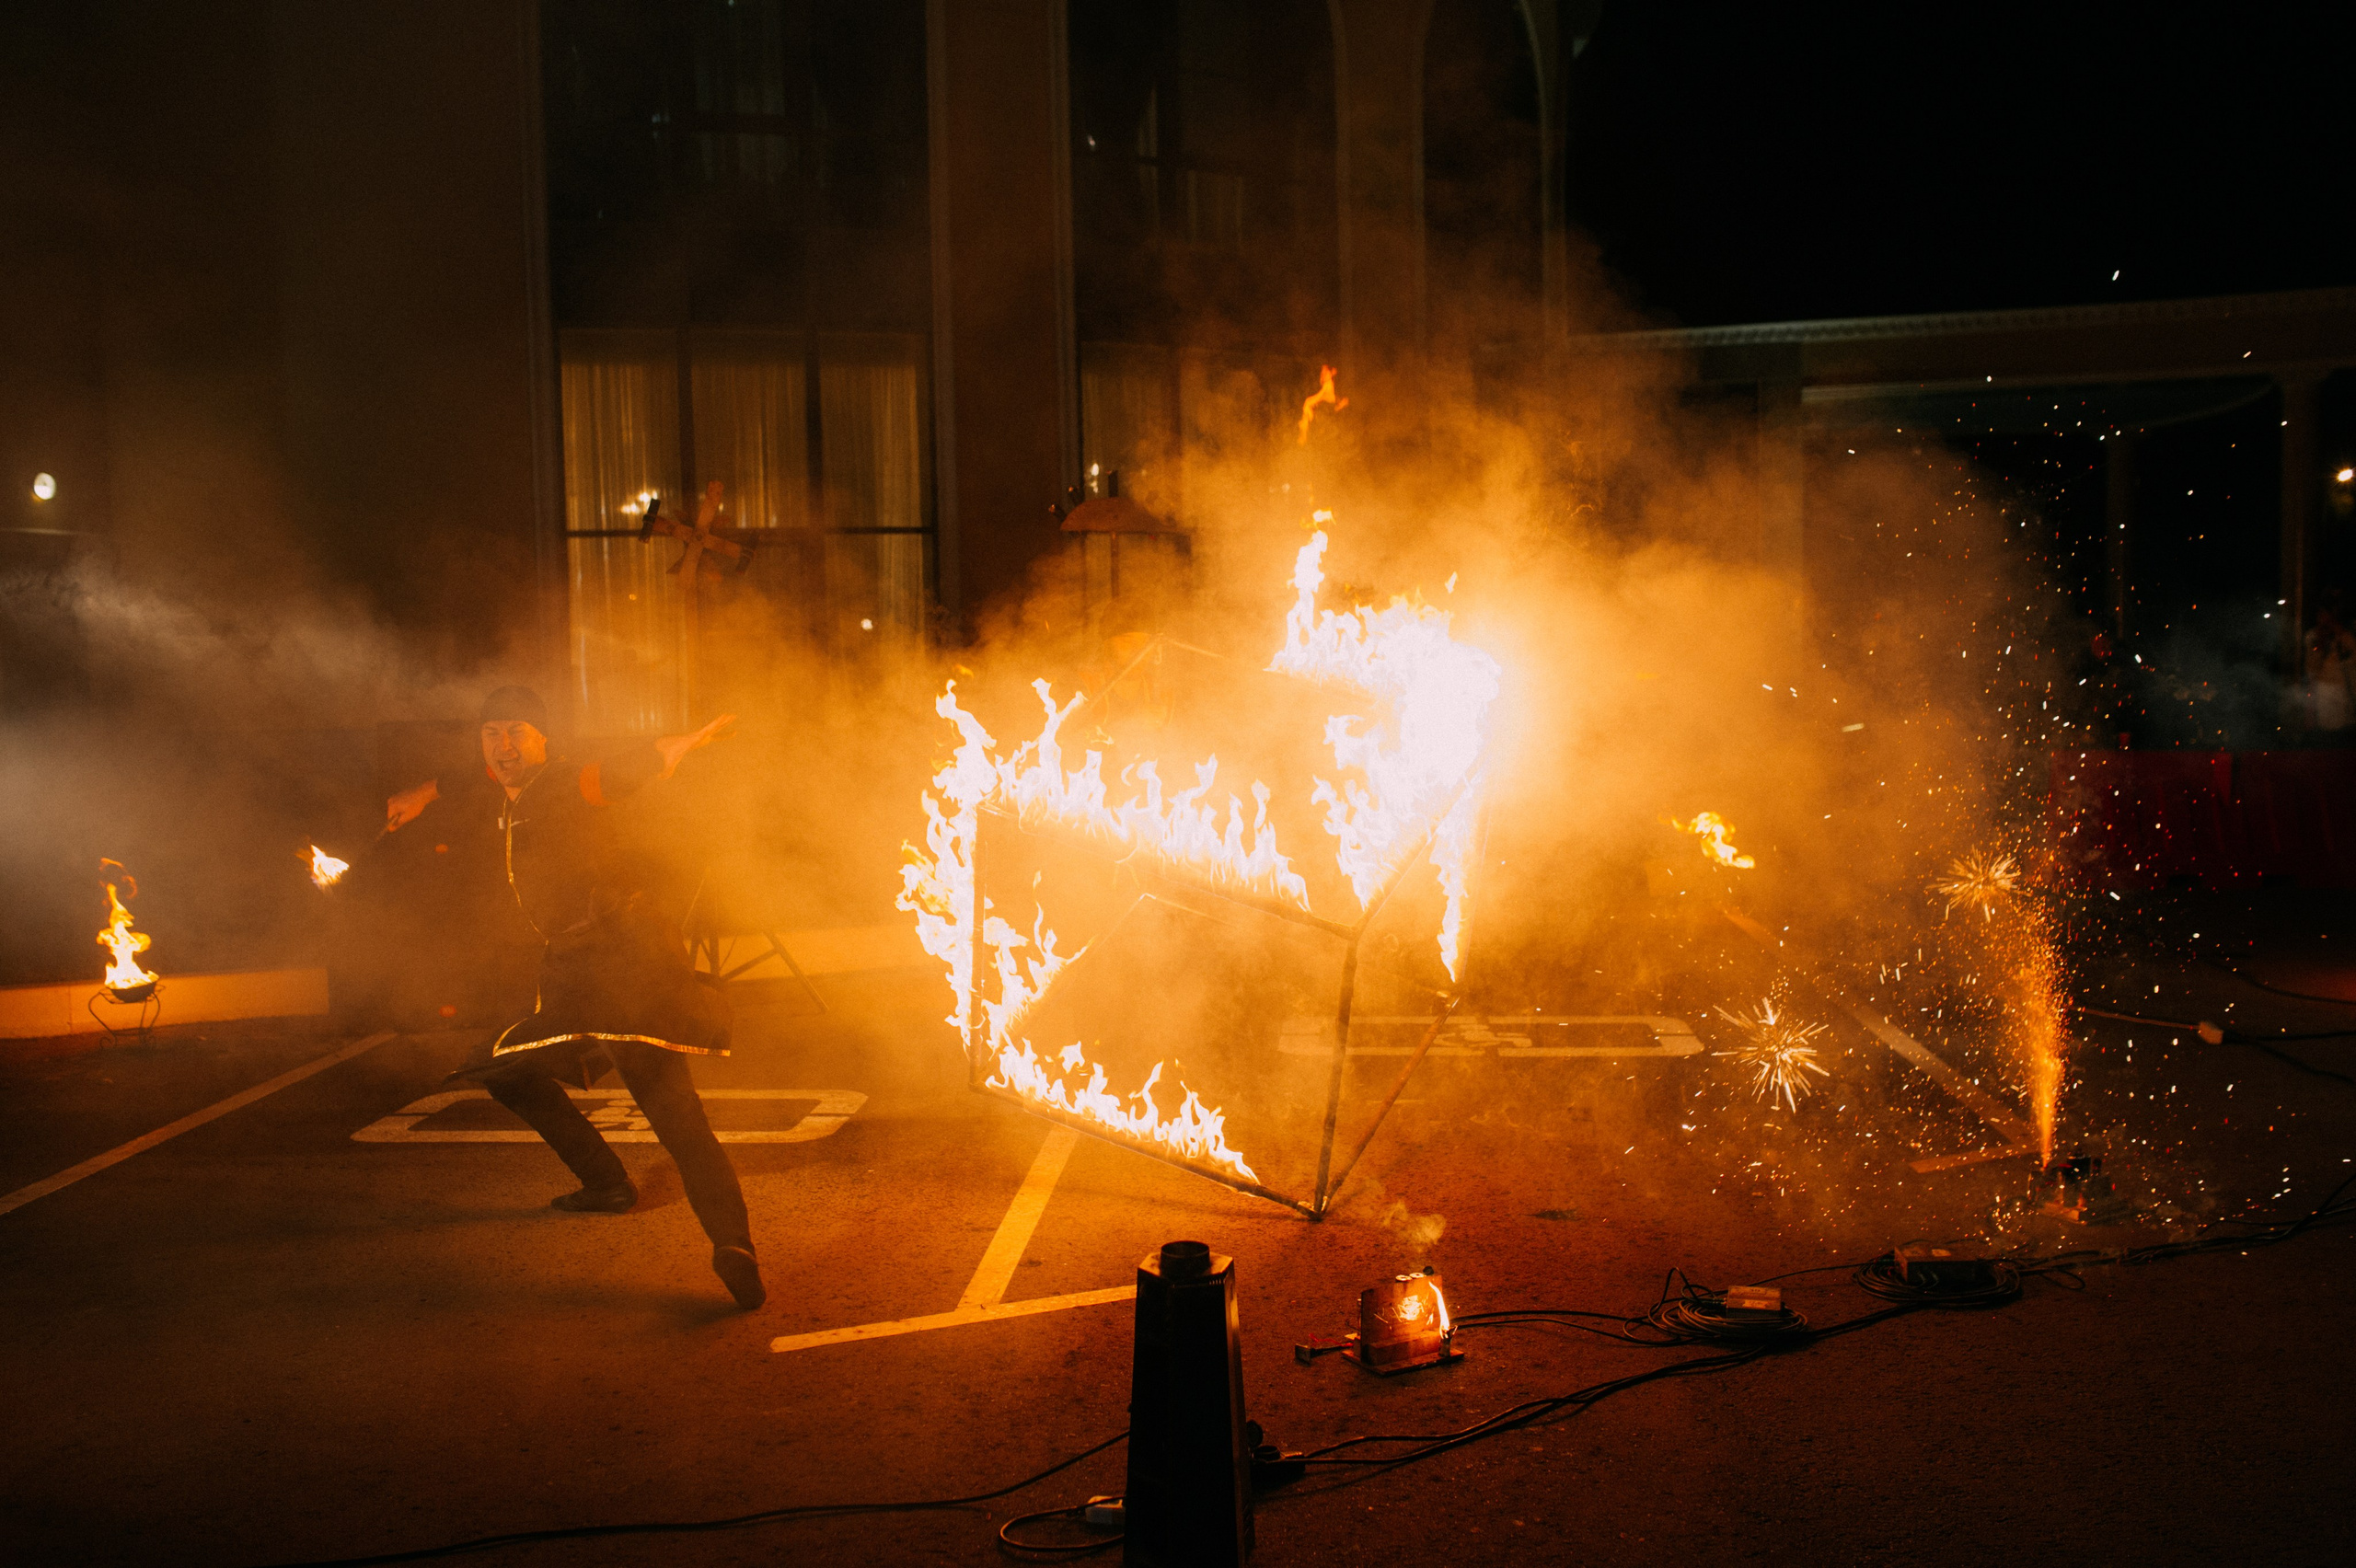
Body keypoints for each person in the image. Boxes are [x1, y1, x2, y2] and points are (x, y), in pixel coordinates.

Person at [385, 686, 764, 1310]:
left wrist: (684, 744)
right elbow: (468, 781)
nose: (506, 745)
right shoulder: (500, 790)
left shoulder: (565, 784)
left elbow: (626, 769)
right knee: (508, 1073)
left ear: (545, 741)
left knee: (675, 1118)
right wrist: (423, 793)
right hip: (579, 979)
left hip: (627, 973)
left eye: (518, 732)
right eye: (494, 733)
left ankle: (731, 1246)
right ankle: (613, 1187)